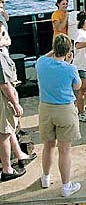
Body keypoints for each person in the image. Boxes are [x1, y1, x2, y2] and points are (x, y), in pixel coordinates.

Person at [35, 33, 82, 197]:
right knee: (65, 150)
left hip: (46, 109)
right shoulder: (70, 68)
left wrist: (57, 50)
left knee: (48, 146)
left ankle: (46, 177)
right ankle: (66, 186)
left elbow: (45, 56)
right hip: (65, 110)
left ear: (53, 48)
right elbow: (77, 86)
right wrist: (68, 61)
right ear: (68, 51)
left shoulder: (41, 63)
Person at [0, 51, 36, 182]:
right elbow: (4, 84)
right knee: (4, 133)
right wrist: (15, 104)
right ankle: (7, 170)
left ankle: (21, 156)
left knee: (9, 129)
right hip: (3, 98)